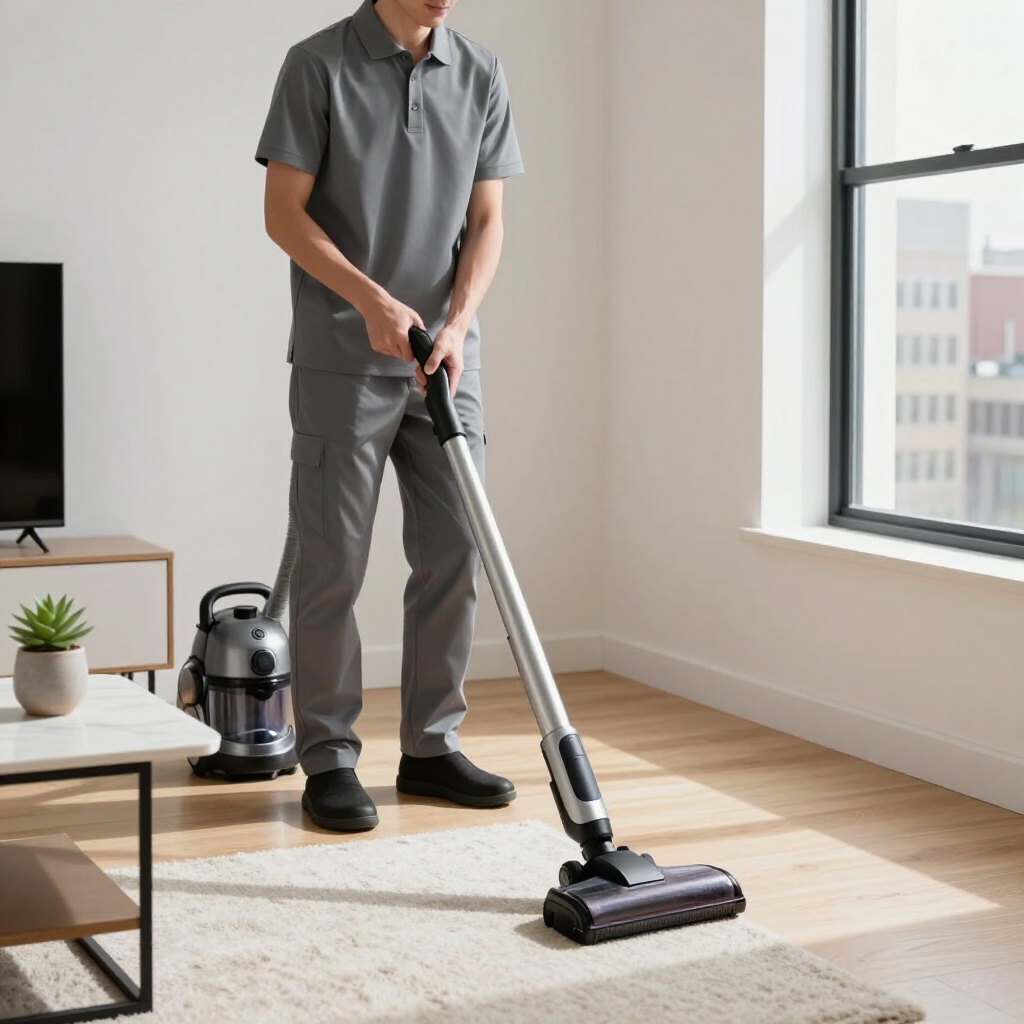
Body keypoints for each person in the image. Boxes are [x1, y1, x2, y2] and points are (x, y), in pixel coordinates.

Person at [255, 0, 524, 831]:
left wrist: (457, 324)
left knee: (456, 548)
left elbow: (487, 222)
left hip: (444, 359)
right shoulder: (318, 64)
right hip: (345, 354)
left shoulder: (480, 72)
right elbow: (283, 213)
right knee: (333, 560)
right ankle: (328, 756)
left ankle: (432, 746)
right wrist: (373, 302)